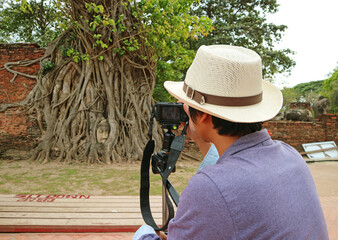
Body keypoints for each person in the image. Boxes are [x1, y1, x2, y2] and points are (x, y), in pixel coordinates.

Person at [133, 45, 329, 240]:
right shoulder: (290, 156)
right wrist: (200, 134)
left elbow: (222, 187)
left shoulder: (209, 188)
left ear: (202, 116)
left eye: (188, 105)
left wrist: (144, 234)